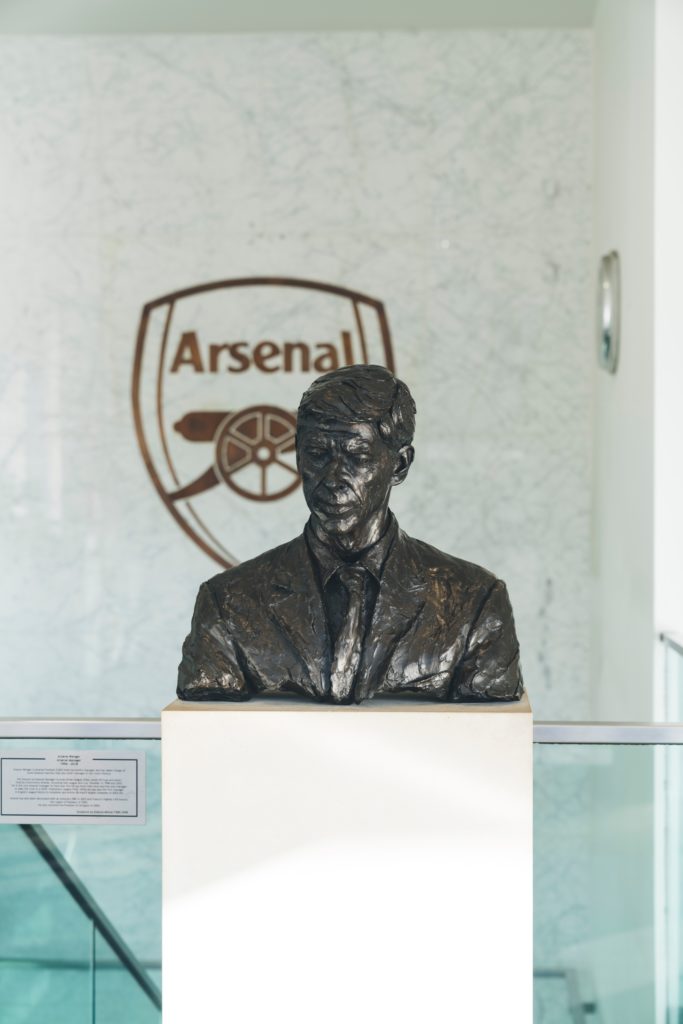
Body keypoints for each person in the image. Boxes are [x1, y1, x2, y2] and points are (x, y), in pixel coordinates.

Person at [177, 365, 523, 703]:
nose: (333, 478)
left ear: (399, 465)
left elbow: (489, 739)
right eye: (316, 454)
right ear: (298, 457)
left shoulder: (474, 602)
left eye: (357, 456)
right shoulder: (228, 603)